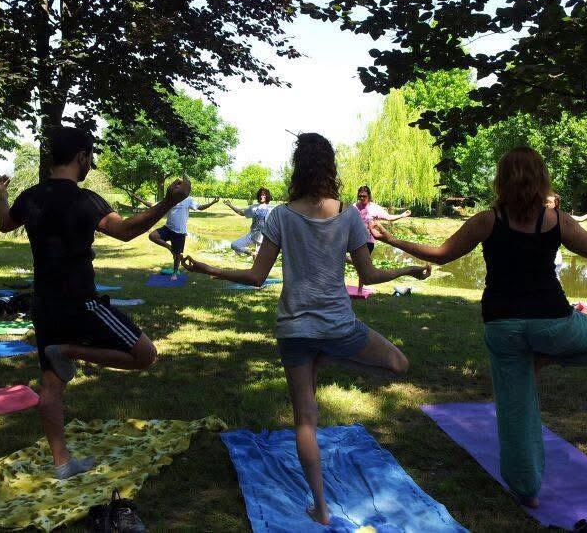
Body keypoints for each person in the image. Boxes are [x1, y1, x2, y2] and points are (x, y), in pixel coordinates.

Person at [369, 147, 587, 508]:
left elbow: (441, 254)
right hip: (552, 322)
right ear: (541, 180)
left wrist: (393, 240)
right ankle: (540, 361)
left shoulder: (487, 220)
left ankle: (527, 491)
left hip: (502, 327)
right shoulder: (556, 220)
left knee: (516, 410)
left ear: (501, 180)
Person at [180, 133, 430, 525]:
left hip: (295, 330)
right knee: (399, 363)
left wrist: (210, 269)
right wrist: (407, 269)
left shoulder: (281, 214)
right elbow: (369, 274)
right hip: (336, 326)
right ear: (330, 167)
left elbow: (255, 276)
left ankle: (321, 508)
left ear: (299, 167)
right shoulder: (347, 214)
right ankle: (330, 356)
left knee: (305, 421)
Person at [0, 127, 191, 480]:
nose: (90, 164)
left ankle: (62, 464)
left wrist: (1, 194)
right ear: (82, 156)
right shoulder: (86, 200)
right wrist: (170, 202)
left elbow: (5, 223)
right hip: (82, 302)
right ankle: (69, 351)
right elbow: (127, 230)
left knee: (51, 385)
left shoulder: (31, 197)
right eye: (90, 157)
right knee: (145, 355)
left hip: (44, 304)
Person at [133, 190, 219, 280]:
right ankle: (170, 248)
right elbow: (153, 205)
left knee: (177, 255)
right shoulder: (170, 199)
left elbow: (200, 207)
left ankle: (174, 273)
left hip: (180, 232)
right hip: (167, 228)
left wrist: (212, 202)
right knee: (152, 236)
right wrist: (139, 199)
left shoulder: (188, 199)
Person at [352, 185, 412, 293]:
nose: (361, 198)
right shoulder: (354, 207)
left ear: (369, 196)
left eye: (364, 196)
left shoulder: (375, 208)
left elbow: (388, 217)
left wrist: (402, 215)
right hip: (355, 240)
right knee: (358, 264)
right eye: (360, 196)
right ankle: (358, 286)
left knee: (363, 266)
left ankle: (360, 290)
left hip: (368, 241)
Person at [224, 188, 273, 256]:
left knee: (259, 259)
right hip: (251, 236)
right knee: (234, 245)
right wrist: (230, 205)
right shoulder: (253, 208)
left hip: (264, 239)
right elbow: (241, 212)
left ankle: (255, 258)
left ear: (267, 196)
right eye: (260, 195)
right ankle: (252, 253)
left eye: (264, 195)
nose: (262, 196)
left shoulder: (272, 209)